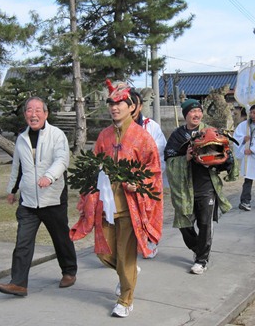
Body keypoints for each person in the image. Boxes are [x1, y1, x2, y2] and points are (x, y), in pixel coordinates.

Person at [70, 81, 163, 318]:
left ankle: (125, 299)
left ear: (132, 107)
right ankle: (128, 273)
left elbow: (153, 171)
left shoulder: (143, 138)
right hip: (105, 206)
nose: (114, 107)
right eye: (111, 103)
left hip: (129, 207)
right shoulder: (104, 136)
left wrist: (138, 184)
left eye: (120, 102)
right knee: (104, 253)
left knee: (125, 255)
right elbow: (93, 166)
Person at [0, 97, 77, 297]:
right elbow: (18, 167)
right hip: (29, 201)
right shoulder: (21, 138)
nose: (33, 114)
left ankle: (69, 271)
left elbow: (62, 160)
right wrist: (12, 191)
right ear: (25, 115)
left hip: (53, 198)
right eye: (29, 110)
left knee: (60, 238)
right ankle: (19, 283)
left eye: (38, 110)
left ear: (46, 114)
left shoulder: (56, 135)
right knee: (22, 242)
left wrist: (49, 177)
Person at [164, 99, 237, 275]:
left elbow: (225, 153)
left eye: (199, 111)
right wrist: (186, 158)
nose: (196, 114)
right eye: (192, 111)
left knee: (205, 224)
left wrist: (222, 160)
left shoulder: (211, 131)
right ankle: (198, 248)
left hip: (206, 186)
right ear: (185, 115)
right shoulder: (177, 136)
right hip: (185, 189)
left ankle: (202, 260)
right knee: (184, 225)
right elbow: (169, 161)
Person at [130, 90, 167, 259]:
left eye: (132, 103)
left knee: (149, 210)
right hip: (124, 178)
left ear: (139, 106)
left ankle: (150, 241)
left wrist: (146, 174)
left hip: (148, 176)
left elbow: (159, 151)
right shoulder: (115, 128)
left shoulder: (151, 126)